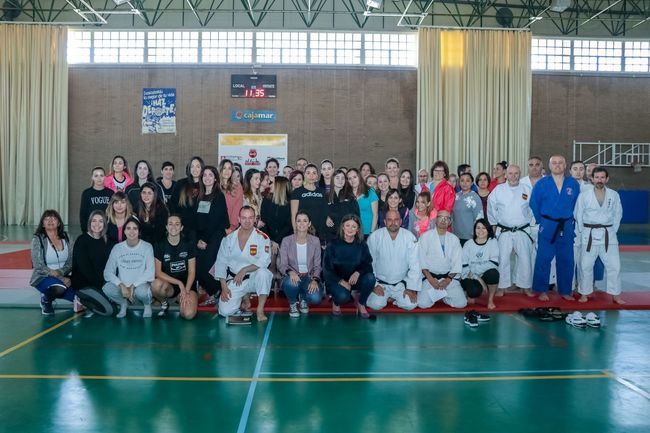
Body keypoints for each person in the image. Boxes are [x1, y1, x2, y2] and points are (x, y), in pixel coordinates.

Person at [530, 155, 581, 301]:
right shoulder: (541, 183)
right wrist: (542, 220)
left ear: (565, 166)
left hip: (566, 225)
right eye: (554, 163)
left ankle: (565, 291)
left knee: (567, 259)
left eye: (560, 163)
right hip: (547, 225)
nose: (557, 165)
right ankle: (541, 290)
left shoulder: (573, 184)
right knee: (543, 258)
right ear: (550, 166)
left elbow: (577, 204)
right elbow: (534, 203)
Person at [575, 167, 624, 304]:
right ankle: (585, 292)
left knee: (614, 265)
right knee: (585, 265)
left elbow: (617, 214)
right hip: (588, 233)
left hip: (608, 234)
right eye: (597, 177)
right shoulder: (584, 195)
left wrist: (612, 230)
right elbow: (578, 214)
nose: (599, 180)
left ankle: (615, 295)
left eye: (602, 177)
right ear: (592, 179)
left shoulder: (614, 195)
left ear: (607, 179)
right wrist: (582, 231)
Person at [216, 206, 273, 321]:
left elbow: (264, 261)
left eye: (250, 218)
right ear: (238, 219)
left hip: (253, 278)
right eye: (244, 218)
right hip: (235, 280)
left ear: (255, 219)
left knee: (264, 273)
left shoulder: (262, 238)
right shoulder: (229, 239)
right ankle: (244, 298)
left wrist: (245, 269)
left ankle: (260, 309)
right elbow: (221, 262)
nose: (247, 221)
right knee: (224, 311)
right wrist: (223, 286)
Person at [487, 165, 534, 297]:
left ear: (520, 174)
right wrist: (494, 224)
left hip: (522, 229)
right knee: (503, 259)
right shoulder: (498, 190)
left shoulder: (527, 189)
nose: (513, 176)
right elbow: (491, 208)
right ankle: (502, 287)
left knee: (525, 259)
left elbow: (532, 211)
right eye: (511, 173)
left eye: (516, 173)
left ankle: (525, 286)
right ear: (506, 175)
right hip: (504, 230)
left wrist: (531, 227)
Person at [366, 209, 420, 311]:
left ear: (400, 221)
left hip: (401, 284)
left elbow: (415, 264)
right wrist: (374, 285)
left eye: (396, 220)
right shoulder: (375, 237)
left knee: (411, 305)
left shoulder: (409, 237)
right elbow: (369, 263)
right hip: (381, 284)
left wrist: (410, 288)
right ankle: (388, 298)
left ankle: (394, 299)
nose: (393, 223)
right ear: (385, 222)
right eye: (389, 220)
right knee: (375, 305)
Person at [323, 214, 376, 318]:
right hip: (337, 281)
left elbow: (368, 266)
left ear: (357, 229)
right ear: (342, 227)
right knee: (343, 296)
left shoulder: (362, 245)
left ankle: (361, 303)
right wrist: (341, 282)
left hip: (354, 280)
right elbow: (327, 270)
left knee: (370, 279)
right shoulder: (333, 245)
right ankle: (336, 302)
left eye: (353, 226)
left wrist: (358, 273)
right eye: (347, 225)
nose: (350, 229)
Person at [103, 217, 154, 318]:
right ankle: (123, 303)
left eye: (135, 228)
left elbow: (150, 273)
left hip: (140, 285)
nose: (131, 231)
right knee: (107, 288)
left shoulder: (147, 247)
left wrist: (133, 286)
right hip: (123, 286)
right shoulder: (117, 248)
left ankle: (147, 304)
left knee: (143, 292)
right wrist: (121, 285)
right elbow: (107, 272)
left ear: (139, 232)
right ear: (124, 231)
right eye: (128, 228)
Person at [417, 210, 467, 309]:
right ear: (436, 220)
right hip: (430, 278)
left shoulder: (454, 239)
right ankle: (440, 294)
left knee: (461, 304)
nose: (443, 220)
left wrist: (447, 280)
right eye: (441, 217)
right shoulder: (425, 237)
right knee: (422, 304)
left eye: (447, 218)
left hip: (448, 278)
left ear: (450, 222)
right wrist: (431, 279)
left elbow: (457, 262)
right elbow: (421, 260)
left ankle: (442, 296)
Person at [195, 166, 230, 306]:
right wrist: (198, 238)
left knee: (208, 268)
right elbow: (196, 220)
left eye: (210, 175)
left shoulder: (219, 196)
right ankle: (214, 292)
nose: (207, 178)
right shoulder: (199, 196)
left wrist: (205, 239)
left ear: (215, 178)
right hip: (200, 238)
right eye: (205, 175)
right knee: (196, 269)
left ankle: (218, 292)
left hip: (214, 237)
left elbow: (217, 221)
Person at [279, 212, 324, 317]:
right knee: (291, 283)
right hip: (293, 277)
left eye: (305, 220)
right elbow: (282, 265)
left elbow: (318, 266)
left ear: (309, 224)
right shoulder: (286, 241)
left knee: (316, 298)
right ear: (295, 223)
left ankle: (303, 298)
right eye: (299, 220)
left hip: (308, 277)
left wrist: (315, 280)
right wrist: (290, 272)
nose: (302, 223)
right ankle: (293, 303)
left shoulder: (315, 241)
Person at [152, 215, 197, 319]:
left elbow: (192, 272)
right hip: (170, 285)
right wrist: (179, 283)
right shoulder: (159, 245)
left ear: (181, 228)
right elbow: (158, 273)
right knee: (155, 285)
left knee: (188, 315)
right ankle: (164, 302)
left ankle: (181, 299)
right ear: (166, 227)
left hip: (187, 285)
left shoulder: (189, 244)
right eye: (170, 224)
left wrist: (185, 290)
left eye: (177, 224)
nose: (173, 227)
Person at [30, 210, 74, 315]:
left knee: (80, 298)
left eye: (53, 218)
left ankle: (56, 291)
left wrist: (61, 272)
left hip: (64, 275)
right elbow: (38, 265)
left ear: (59, 223)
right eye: (46, 218)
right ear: (43, 224)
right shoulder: (37, 239)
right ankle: (46, 300)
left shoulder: (67, 237)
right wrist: (61, 278)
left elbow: (72, 260)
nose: (50, 220)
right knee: (60, 288)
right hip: (43, 276)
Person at [71, 211, 114, 316]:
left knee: (115, 303)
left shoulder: (106, 241)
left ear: (104, 224)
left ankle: (94, 298)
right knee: (110, 311)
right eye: (94, 221)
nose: (97, 224)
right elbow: (85, 269)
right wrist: (101, 287)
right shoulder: (82, 240)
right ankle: (81, 299)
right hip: (84, 284)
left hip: (101, 283)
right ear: (89, 223)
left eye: (100, 221)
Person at [461, 219, 500, 310]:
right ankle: (469, 293)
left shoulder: (493, 242)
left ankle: (490, 300)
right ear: (474, 230)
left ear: (488, 230)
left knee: (494, 274)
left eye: (483, 228)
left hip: (479, 273)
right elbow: (464, 267)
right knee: (473, 291)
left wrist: (474, 269)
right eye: (478, 228)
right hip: (469, 276)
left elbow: (494, 263)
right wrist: (478, 278)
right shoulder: (468, 244)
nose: (480, 231)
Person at [290, 164, 328, 241]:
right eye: (308, 173)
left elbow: (325, 211)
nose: (311, 175)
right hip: (303, 230)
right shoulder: (297, 192)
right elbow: (294, 214)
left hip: (320, 231)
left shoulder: (322, 192)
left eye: (314, 173)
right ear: (304, 175)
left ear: (317, 176)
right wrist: (295, 231)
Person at [170, 156, 204, 240]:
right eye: (192, 166)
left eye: (198, 166)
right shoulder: (180, 183)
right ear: (189, 168)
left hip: (200, 230)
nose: (195, 169)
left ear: (202, 168)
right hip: (182, 229)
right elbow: (172, 205)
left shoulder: (206, 185)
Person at [326, 169, 360, 241]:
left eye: (342, 178)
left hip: (347, 236)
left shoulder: (351, 197)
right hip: (331, 237)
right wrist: (325, 217)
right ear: (332, 179)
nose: (340, 180)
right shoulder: (326, 196)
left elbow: (357, 217)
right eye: (337, 178)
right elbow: (322, 213)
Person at [78, 166, 113, 232]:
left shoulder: (110, 193)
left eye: (101, 175)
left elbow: (113, 213)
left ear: (105, 177)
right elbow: (83, 214)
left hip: (107, 230)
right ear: (92, 177)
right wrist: (85, 231)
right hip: (91, 229)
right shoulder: (86, 193)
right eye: (96, 176)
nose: (99, 178)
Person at [452, 173, 483, 245]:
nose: (465, 183)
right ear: (459, 182)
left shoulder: (475, 197)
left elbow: (479, 218)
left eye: (467, 181)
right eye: (462, 180)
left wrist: (477, 234)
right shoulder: (456, 196)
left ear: (472, 183)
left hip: (470, 236)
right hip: (455, 235)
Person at [348, 168, 378, 238]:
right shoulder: (347, 194)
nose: (352, 180)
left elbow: (375, 215)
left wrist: (371, 233)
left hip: (368, 232)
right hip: (352, 232)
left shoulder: (370, 192)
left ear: (359, 177)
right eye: (349, 178)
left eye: (355, 177)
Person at [218, 159, 244, 233]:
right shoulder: (215, 186)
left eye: (229, 168)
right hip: (214, 226)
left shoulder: (238, 186)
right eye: (224, 168)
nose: (227, 171)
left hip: (230, 227)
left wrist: (232, 227)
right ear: (220, 170)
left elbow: (238, 208)